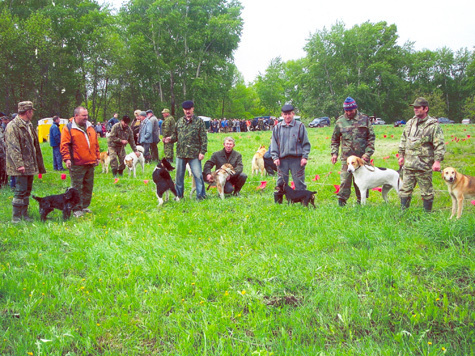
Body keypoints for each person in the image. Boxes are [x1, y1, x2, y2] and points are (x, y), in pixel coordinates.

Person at [398, 97, 445, 212]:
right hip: (409, 165)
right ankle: (404, 212)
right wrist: (401, 155)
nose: (415, 109)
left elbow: (439, 144)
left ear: (426, 109)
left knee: (427, 192)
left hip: (423, 165)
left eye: (418, 107)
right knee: (405, 190)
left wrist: (437, 161)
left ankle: (427, 215)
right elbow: (403, 139)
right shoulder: (410, 123)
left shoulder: (433, 125)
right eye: (414, 107)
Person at [5, 101, 46, 222]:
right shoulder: (13, 126)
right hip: (20, 167)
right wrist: (19, 165)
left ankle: (24, 214)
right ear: (28, 112)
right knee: (20, 191)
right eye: (32, 111)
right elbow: (13, 148)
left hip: (30, 165)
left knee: (27, 190)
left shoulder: (29, 125)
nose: (32, 113)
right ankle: (16, 217)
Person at [331, 97, 375, 206]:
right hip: (346, 158)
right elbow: (334, 139)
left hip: (361, 158)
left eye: (350, 110)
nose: (348, 113)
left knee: (362, 180)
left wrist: (367, 154)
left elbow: (371, 138)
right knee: (345, 180)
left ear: (355, 108)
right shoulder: (340, 121)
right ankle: (342, 201)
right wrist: (334, 153)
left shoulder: (364, 119)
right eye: (346, 111)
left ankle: (361, 201)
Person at [60, 106, 100, 217]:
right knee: (77, 187)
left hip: (90, 162)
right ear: (76, 116)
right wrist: (67, 158)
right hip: (77, 163)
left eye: (87, 115)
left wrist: (97, 157)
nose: (86, 118)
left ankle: (85, 206)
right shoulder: (68, 128)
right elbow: (64, 145)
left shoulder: (91, 127)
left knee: (88, 186)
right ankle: (76, 208)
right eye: (83, 115)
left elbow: (95, 143)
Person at [164, 100, 207, 200]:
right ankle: (179, 195)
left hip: (194, 154)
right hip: (181, 153)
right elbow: (175, 136)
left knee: (198, 175)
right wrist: (170, 139)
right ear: (183, 110)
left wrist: (202, 152)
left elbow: (204, 138)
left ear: (193, 109)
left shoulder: (199, 121)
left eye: (189, 109)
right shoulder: (179, 121)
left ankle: (201, 196)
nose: (187, 111)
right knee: (179, 176)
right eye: (185, 109)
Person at [271, 104, 311, 203]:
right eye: (285, 114)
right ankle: (279, 202)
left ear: (293, 114)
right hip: (282, 160)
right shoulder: (277, 128)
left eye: (289, 114)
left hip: (296, 159)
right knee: (281, 181)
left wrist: (304, 157)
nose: (287, 116)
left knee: (299, 181)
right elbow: (274, 144)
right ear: (282, 115)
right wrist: (275, 157)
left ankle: (303, 201)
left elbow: (306, 143)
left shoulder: (300, 126)